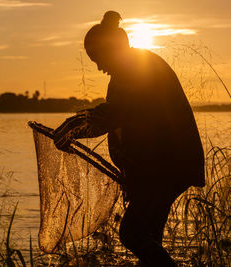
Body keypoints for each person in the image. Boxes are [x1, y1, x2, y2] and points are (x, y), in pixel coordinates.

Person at [53, 11, 205, 266]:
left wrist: (75, 126)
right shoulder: (134, 65)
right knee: (149, 239)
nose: (100, 68)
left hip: (167, 167)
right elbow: (127, 117)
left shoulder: (135, 67)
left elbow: (119, 112)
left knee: (132, 234)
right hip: (165, 167)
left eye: (99, 59)